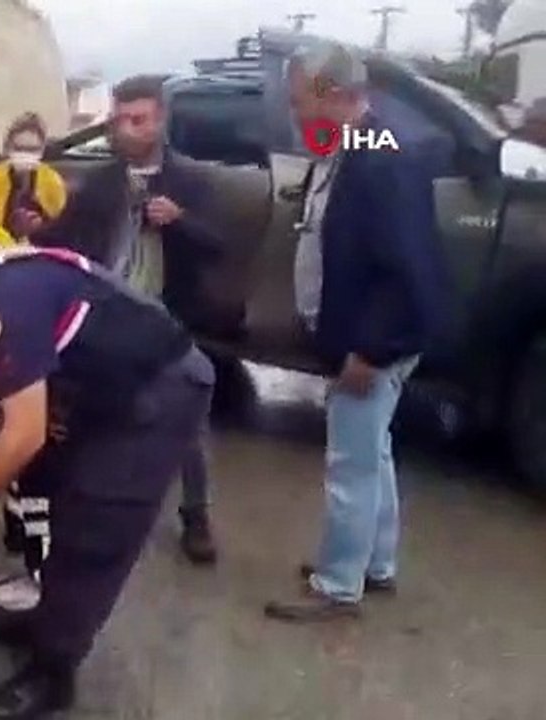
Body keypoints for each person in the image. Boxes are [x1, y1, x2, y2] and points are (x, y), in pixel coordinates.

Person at [0, 235, 215, 719]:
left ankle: (52, 674)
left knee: (95, 527)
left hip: (161, 388)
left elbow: (23, 435)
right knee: (64, 495)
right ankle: (50, 619)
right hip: (110, 383)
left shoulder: (4, 303)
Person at [264, 42, 450, 623]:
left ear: (334, 94)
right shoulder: (359, 143)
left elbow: (405, 267)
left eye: (301, 101)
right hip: (370, 335)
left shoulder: (381, 157)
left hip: (375, 342)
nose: (295, 113)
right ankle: (375, 564)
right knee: (374, 453)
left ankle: (338, 585)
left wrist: (371, 350)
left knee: (350, 463)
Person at [34, 74, 226, 565]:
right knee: (91, 412)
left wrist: (180, 222)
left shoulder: (192, 180)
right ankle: (80, 506)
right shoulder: (100, 182)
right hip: (110, 320)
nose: (126, 130)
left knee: (187, 422)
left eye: (138, 120)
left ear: (161, 120)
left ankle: (196, 515)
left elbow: (219, 250)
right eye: (119, 120)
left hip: (171, 319)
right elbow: (64, 241)